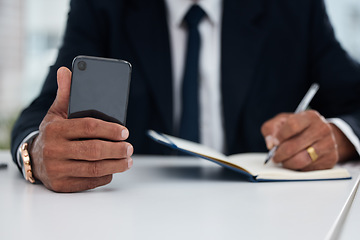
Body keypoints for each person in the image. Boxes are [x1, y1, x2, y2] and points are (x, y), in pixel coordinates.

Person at [11, 0, 360, 192]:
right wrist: (35, 154)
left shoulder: (296, 8)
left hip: (267, 211)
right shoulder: (102, 7)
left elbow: (353, 99)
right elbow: (44, 113)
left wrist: (338, 137)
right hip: (133, 210)